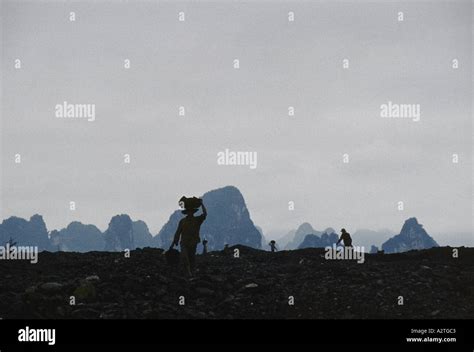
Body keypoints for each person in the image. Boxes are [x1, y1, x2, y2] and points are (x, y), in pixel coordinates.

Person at [172, 200, 207, 276]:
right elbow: (178, 231)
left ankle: (191, 273)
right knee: (185, 257)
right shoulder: (182, 221)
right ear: (187, 212)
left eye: (191, 211)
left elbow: (205, 214)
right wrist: (175, 241)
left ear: (193, 212)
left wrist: (202, 204)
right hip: (184, 242)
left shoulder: (197, 220)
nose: (190, 212)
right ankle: (189, 273)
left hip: (193, 242)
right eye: (188, 211)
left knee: (192, 258)